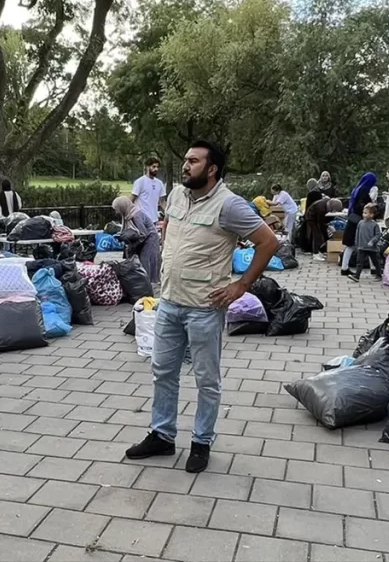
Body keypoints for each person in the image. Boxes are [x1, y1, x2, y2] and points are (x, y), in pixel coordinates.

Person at [125, 140, 277, 473]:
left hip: (204, 309)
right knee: (163, 372)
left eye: (193, 161)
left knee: (206, 380)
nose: (185, 165)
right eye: (185, 160)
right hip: (168, 303)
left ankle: (201, 442)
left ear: (212, 169)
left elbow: (269, 242)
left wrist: (241, 286)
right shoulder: (177, 196)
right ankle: (162, 436)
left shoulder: (229, 205)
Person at [112, 196, 161, 283]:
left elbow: (143, 234)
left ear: (122, 207)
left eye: (117, 209)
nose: (116, 212)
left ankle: (147, 283)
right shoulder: (128, 215)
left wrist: (133, 245)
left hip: (149, 239)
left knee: (145, 261)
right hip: (143, 239)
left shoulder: (136, 216)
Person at [342, 172, 377, 275]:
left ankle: (344, 267)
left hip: (352, 219)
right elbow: (365, 206)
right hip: (360, 221)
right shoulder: (364, 192)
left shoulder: (356, 190)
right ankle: (373, 268)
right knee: (369, 243)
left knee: (350, 245)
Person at [349, 203, 383, 282]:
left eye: (365, 213)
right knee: (359, 262)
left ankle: (379, 275)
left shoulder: (375, 225)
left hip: (372, 248)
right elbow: (357, 233)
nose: (363, 214)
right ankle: (357, 276)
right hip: (361, 247)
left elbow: (378, 235)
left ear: (371, 215)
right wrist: (356, 243)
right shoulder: (360, 223)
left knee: (376, 262)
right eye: (363, 213)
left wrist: (372, 241)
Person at [131, 158, 167, 224]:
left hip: (154, 220)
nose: (156, 169)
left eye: (157, 167)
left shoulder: (159, 183)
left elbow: (162, 201)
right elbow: (132, 200)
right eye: (153, 167)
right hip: (141, 219)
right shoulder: (140, 182)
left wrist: (168, 213)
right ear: (147, 167)